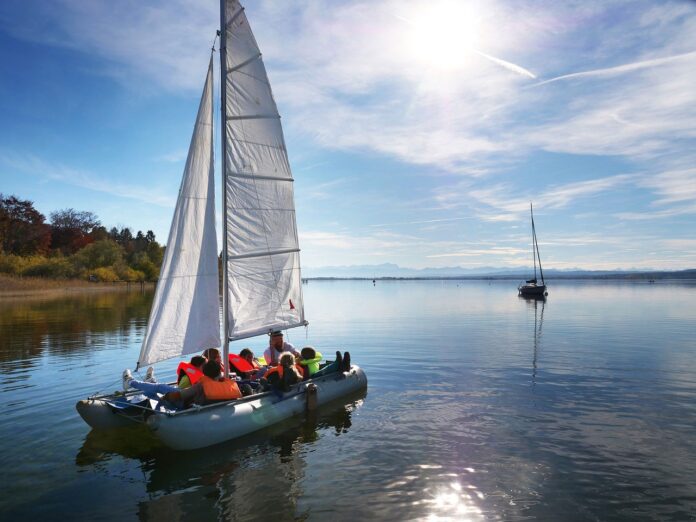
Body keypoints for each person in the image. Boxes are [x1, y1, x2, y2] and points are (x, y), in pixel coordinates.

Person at [165, 360, 245, 407]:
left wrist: (166, 397)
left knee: (163, 389)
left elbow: (179, 395)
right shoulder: (227, 385)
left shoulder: (200, 386)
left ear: (204, 372)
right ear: (219, 373)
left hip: (201, 409)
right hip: (220, 408)